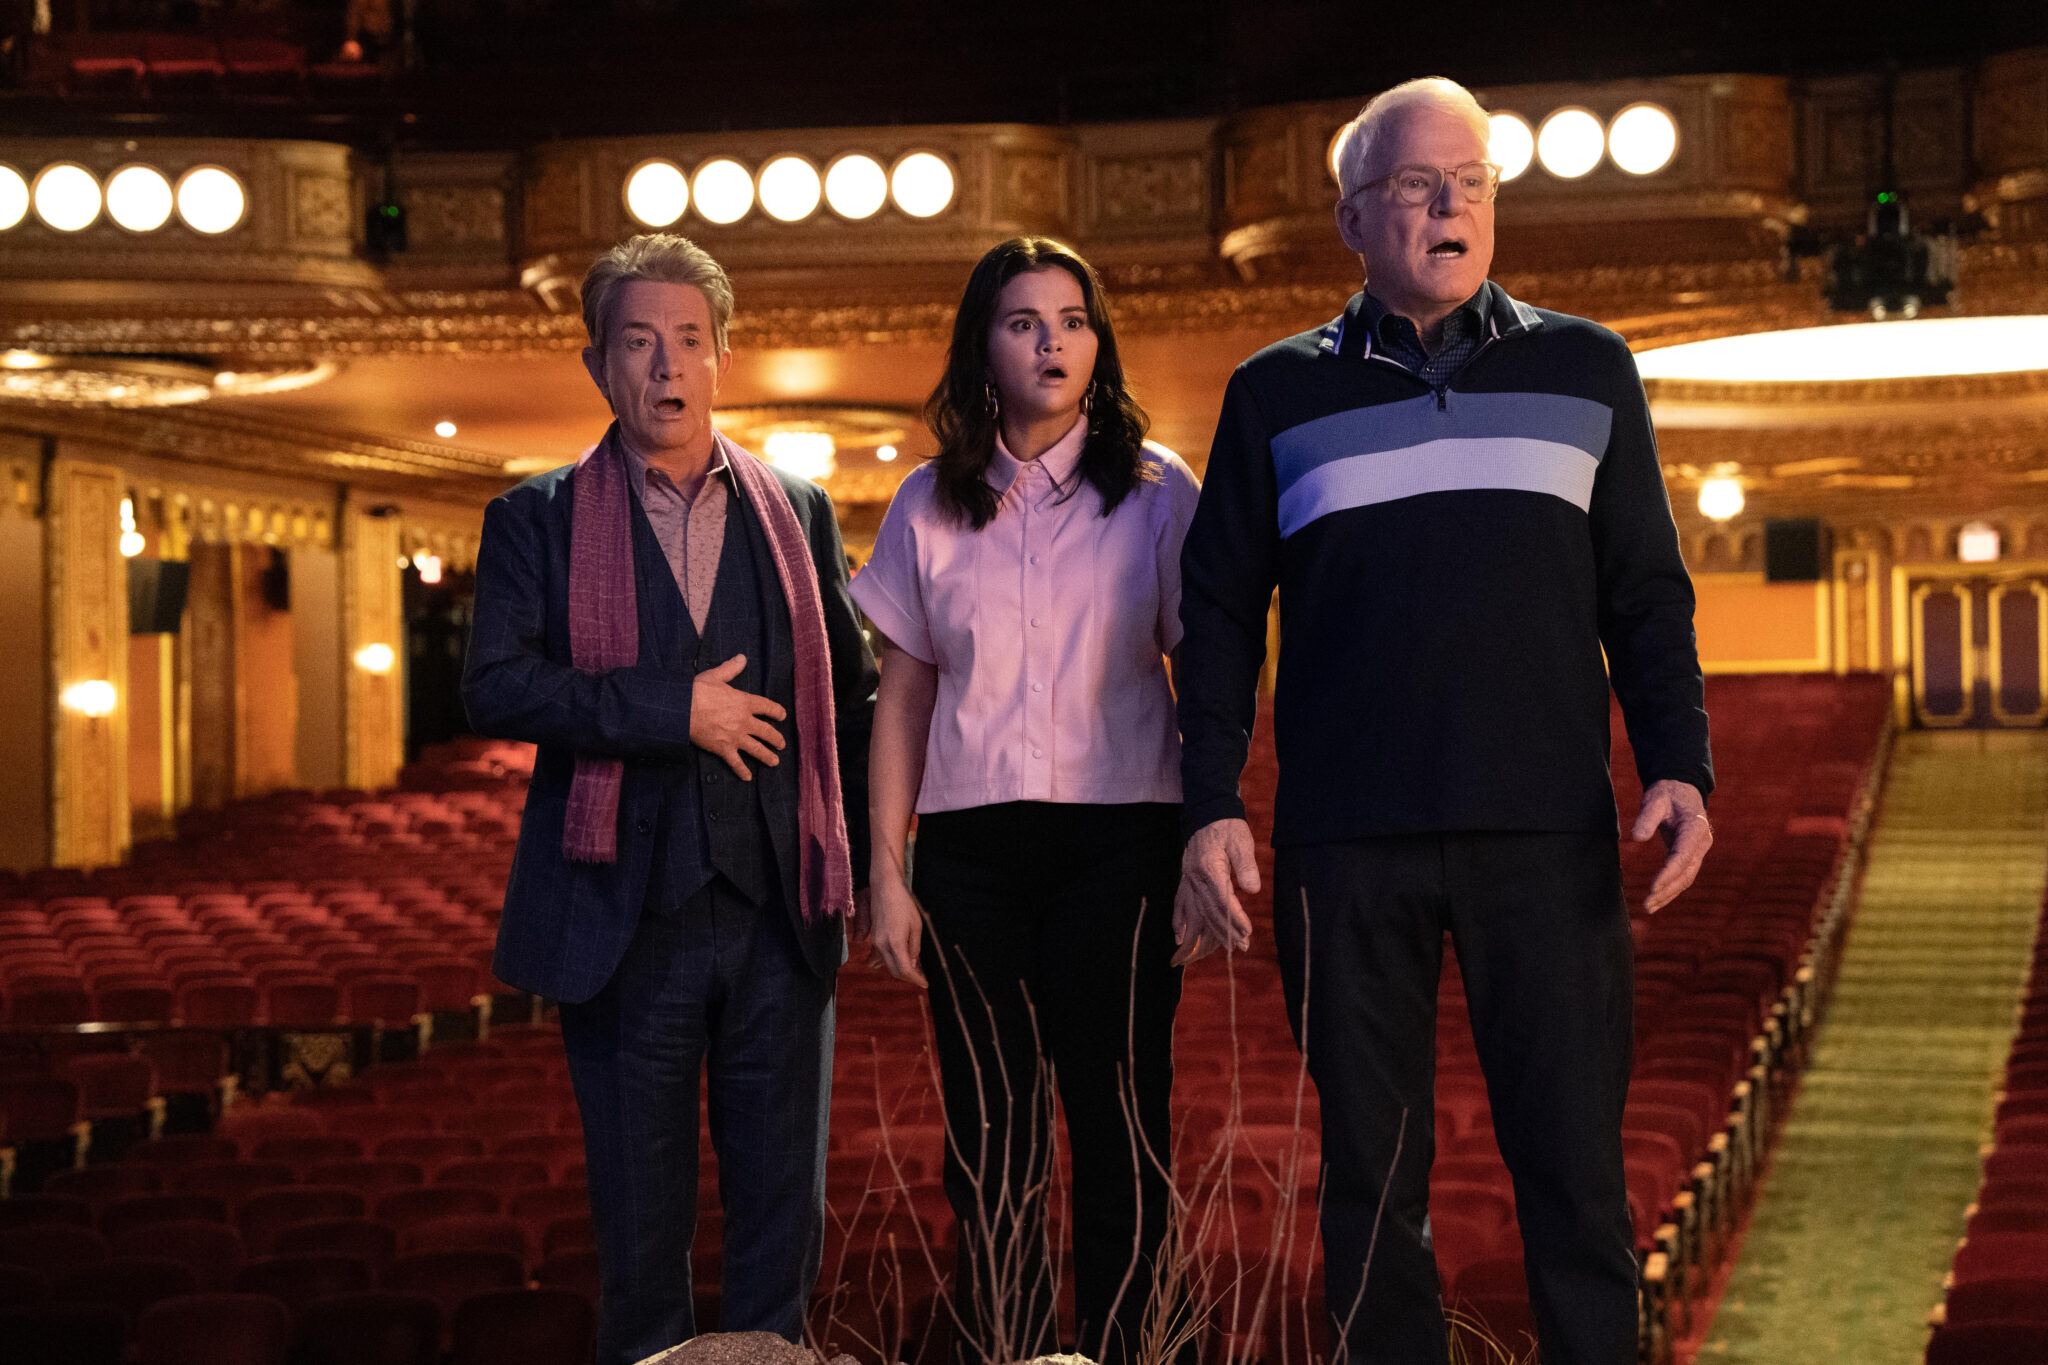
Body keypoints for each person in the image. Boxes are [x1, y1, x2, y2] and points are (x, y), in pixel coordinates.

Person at [1173, 77, 1715, 1365]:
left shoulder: (1588, 368)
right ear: (1353, 218)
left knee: (1574, 1179)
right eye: (1416, 186)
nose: (1447, 206)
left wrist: (1677, 764)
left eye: (1469, 182)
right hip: (1343, 845)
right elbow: (1216, 615)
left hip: (1546, 836)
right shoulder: (1271, 394)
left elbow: (1644, 591)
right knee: (1371, 1192)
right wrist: (1208, 803)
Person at [462, 233, 878, 1365]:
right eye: (639, 342)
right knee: (642, 1249)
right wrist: (670, 710)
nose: (666, 365)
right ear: (598, 363)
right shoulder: (536, 517)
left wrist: (876, 859)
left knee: (778, 1237)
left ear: (722, 357)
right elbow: (494, 684)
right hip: (620, 923)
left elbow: (850, 699)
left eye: (688, 340)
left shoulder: (797, 508)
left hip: (780, 916)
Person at [856, 236, 1200, 1365]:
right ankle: (1008, 1352)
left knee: (1120, 1133)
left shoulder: (1157, 491)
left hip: (1123, 843)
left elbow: (1204, 677)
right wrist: (888, 873)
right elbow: (903, 697)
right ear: (984, 348)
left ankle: (1126, 1353)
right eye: (1022, 323)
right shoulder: (925, 501)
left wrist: (1209, 836)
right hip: (970, 857)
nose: (1051, 343)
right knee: (990, 1146)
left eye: (1072, 321)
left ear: (1098, 345)